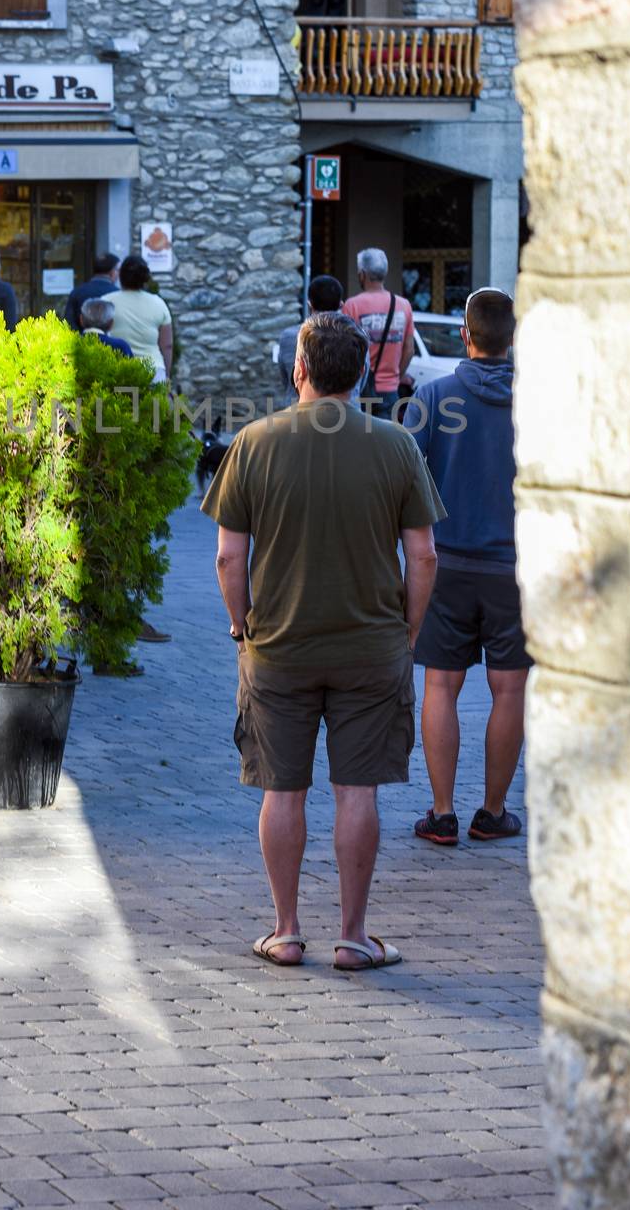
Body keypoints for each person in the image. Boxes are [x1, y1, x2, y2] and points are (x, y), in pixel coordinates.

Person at [202, 312, 445, 970]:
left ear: (299, 370)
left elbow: (229, 556)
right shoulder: (396, 445)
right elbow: (423, 555)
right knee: (356, 791)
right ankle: (354, 936)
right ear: (362, 371)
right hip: (372, 647)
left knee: (283, 791)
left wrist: (240, 620)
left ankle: (283, 930)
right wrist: (409, 627)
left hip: (279, 647)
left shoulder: (254, 442)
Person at [409, 287, 529, 846]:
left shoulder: (432, 398)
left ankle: (441, 813)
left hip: (446, 563)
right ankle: (494, 810)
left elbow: (405, 486)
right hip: (516, 568)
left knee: (441, 683)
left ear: (465, 333)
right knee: (510, 690)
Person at [343, 248, 415, 420]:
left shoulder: (352, 306)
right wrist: (396, 375)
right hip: (390, 390)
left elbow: (345, 350)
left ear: (362, 274)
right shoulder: (403, 305)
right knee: (385, 443)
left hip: (361, 390)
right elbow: (410, 349)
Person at [275, 274, 343, 405]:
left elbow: (286, 380)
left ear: (309, 304)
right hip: (344, 413)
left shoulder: (289, 337)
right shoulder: (357, 336)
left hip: (297, 410)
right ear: (341, 305)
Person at [108, 254, 173, 382]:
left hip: (117, 371)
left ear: (120, 276)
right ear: (145, 278)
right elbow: (167, 345)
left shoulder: (106, 302)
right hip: (153, 371)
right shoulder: (158, 303)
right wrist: (167, 375)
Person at [65, 253, 119, 332]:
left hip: (82, 342)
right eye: (117, 270)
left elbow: (69, 323)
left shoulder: (77, 292)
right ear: (112, 272)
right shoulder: (117, 293)